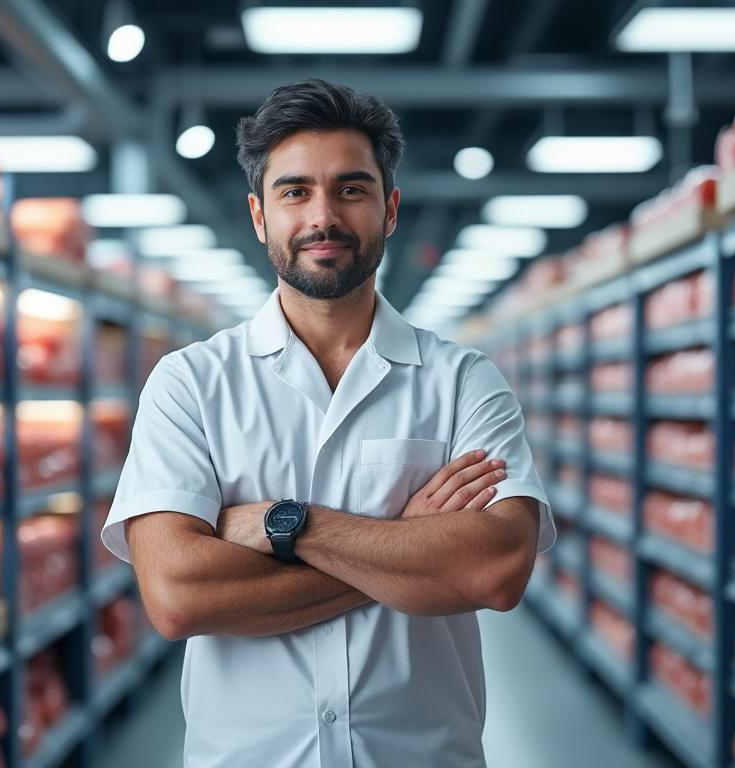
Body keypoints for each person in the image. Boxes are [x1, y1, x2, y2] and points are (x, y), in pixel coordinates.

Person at [102, 78, 555, 768]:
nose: (324, 215)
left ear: (390, 208)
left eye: (351, 188)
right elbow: (176, 594)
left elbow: (494, 569)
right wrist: (408, 545)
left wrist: (288, 525)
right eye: (294, 192)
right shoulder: (190, 384)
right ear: (259, 216)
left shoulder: (463, 380)